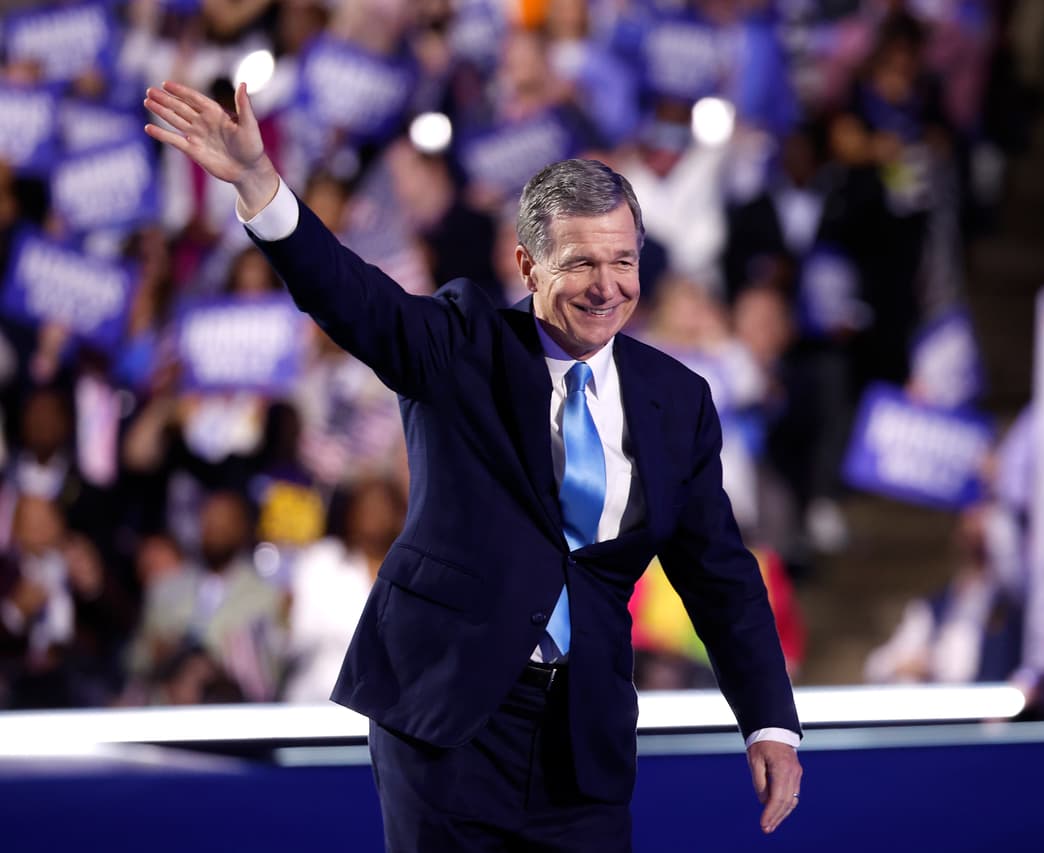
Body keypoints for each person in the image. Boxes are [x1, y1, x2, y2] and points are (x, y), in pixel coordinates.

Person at [144, 79, 803, 851]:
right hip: (448, 722)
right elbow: (355, 297)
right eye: (581, 262)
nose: (607, 286)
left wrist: (768, 718)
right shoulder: (463, 343)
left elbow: (719, 573)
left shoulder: (678, 399)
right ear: (527, 264)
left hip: (581, 742)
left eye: (623, 260)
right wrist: (261, 185)